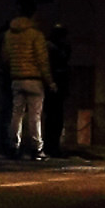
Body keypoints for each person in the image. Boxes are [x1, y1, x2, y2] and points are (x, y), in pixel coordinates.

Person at [2, 7, 53, 162]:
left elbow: (5, 57)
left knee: (16, 114)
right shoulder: (36, 35)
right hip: (34, 80)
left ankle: (13, 146)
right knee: (34, 116)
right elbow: (42, 61)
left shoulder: (8, 35)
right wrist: (50, 81)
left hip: (16, 79)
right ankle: (36, 149)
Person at [43, 21, 72, 158]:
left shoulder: (52, 46)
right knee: (54, 118)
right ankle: (52, 146)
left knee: (53, 118)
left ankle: (52, 145)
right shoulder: (55, 48)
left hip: (54, 84)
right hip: (55, 84)